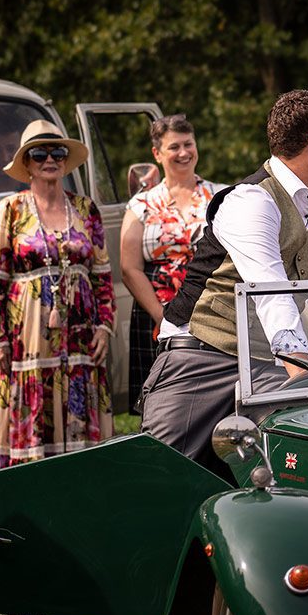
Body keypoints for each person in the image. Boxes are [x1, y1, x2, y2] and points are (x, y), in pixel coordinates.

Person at [97, 91, 308, 615]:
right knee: (156, 511)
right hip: (198, 363)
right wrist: (301, 365)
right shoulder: (252, 200)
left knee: (293, 473)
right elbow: (272, 292)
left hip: (261, 367)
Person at [0, 120, 114, 468]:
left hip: (82, 333)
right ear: (26, 163)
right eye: (39, 153)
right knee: (30, 404)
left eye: (57, 152)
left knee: (80, 400)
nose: (49, 159)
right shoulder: (9, 210)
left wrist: (105, 327)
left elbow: (102, 276)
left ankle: (81, 492)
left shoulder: (86, 209)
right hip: (28, 333)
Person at [120, 115, 224, 411]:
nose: (183, 153)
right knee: (161, 402)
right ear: (157, 153)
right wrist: (163, 318)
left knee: (210, 399)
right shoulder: (141, 203)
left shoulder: (220, 195)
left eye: (188, 144)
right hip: (156, 310)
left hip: (212, 307)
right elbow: (129, 268)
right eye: (174, 146)